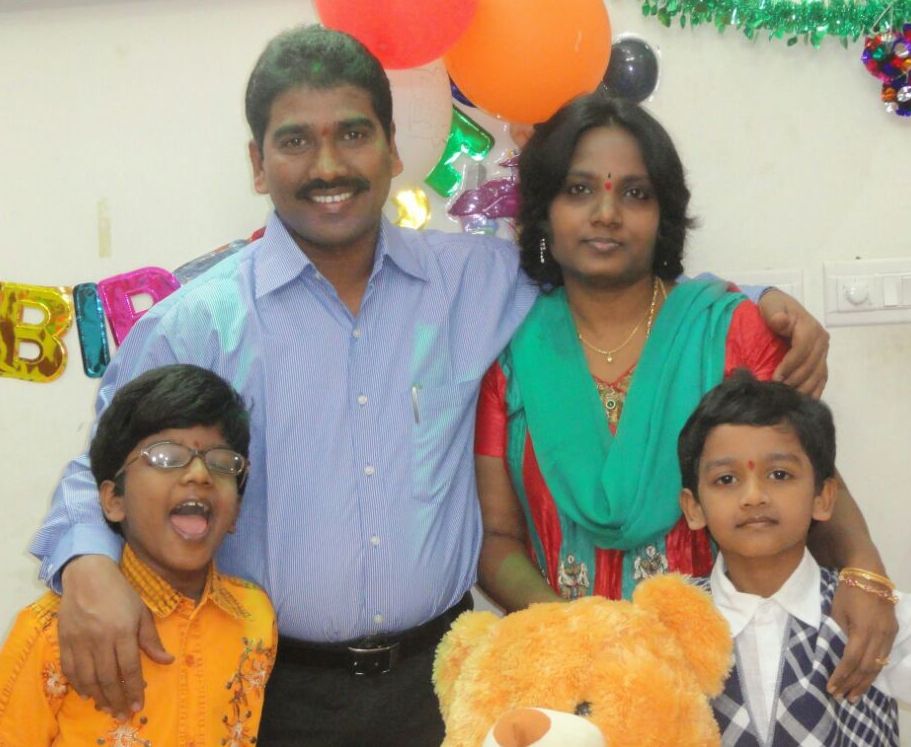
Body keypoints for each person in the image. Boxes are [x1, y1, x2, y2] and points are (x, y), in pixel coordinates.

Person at [29, 25, 833, 747]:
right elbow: (96, 466)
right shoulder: (196, 323)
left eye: (353, 133)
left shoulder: (475, 280)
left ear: (392, 148)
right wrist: (88, 567)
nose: (328, 165)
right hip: (268, 688)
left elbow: (612, 275)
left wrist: (759, 301)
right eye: (296, 141)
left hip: (444, 681)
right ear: (256, 164)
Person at [473, 93, 895, 699]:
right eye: (579, 190)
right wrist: (577, 632)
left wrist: (866, 570)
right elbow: (498, 540)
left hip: (726, 671)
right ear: (542, 212)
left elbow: (806, 478)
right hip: (567, 675)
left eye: (635, 194)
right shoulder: (510, 355)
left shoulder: (728, 331)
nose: (607, 214)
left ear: (663, 214)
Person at [0, 364, 275, 745]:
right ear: (113, 500)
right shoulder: (50, 634)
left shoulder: (254, 616)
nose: (200, 474)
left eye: (222, 462)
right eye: (166, 457)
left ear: (237, 511)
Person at [678, 373, 909, 745]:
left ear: (824, 498)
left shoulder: (878, 619)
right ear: (693, 508)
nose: (754, 496)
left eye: (779, 474)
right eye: (726, 479)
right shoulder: (663, 628)